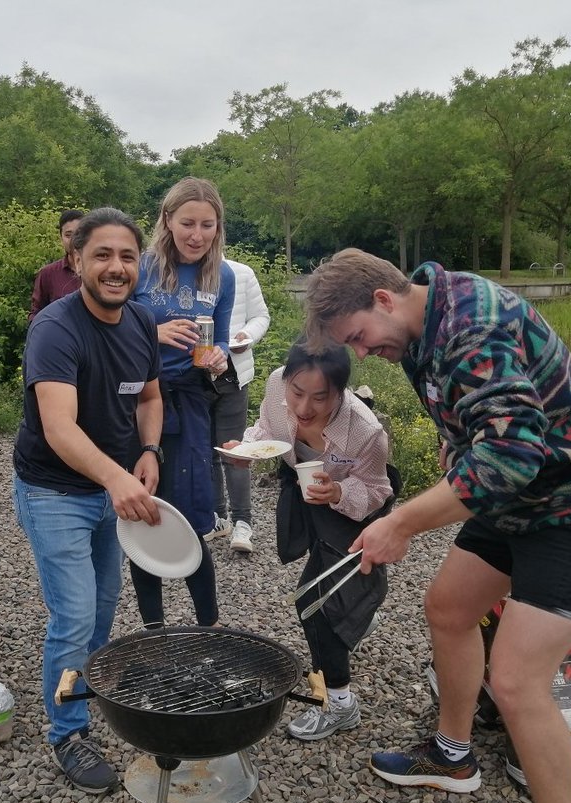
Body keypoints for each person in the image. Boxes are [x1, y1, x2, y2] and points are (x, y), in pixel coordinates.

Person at [305, 249, 571, 803]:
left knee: (517, 680)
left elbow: (510, 459)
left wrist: (401, 522)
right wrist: (458, 440)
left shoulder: (473, 326)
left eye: (359, 337)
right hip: (518, 498)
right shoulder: (418, 327)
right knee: (449, 608)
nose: (364, 352)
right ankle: (453, 755)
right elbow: (487, 428)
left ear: (383, 299)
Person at [13, 207, 162, 793]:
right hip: (54, 490)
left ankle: (86, 691)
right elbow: (59, 428)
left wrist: (148, 450)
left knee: (101, 610)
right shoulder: (55, 329)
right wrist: (117, 479)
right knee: (74, 616)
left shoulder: (141, 321)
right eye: (102, 255)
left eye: (127, 256)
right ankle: (67, 733)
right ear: (75, 261)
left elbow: (149, 397)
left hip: (111, 489)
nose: (116, 267)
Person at [228, 338, 395, 740]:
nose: (303, 408)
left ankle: (341, 705)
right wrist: (248, 448)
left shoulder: (365, 431)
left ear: (340, 391)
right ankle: (358, 615)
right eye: (297, 392)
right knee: (331, 592)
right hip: (306, 491)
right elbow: (268, 428)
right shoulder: (275, 383)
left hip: (353, 506)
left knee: (316, 602)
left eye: (320, 398)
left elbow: (378, 489)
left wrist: (338, 493)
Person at [131, 177, 234, 628]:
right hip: (140, 400)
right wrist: (152, 332)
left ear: (218, 226)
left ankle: (208, 624)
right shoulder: (141, 266)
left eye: (207, 225)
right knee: (143, 509)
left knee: (191, 513)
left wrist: (219, 356)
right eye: (188, 223)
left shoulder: (222, 275)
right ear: (168, 220)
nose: (197, 235)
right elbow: (110, 328)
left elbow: (223, 339)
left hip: (190, 402)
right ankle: (153, 627)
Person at [205, 257, 270, 553]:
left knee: (234, 450)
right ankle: (217, 518)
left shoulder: (241, 272)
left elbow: (260, 316)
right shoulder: (180, 274)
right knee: (206, 452)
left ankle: (243, 522)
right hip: (194, 377)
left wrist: (247, 335)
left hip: (233, 374)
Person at [29, 209, 85, 322]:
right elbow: (36, 313)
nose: (74, 240)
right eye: (68, 235)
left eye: (78, 234)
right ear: (61, 238)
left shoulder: (99, 270)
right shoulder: (48, 274)